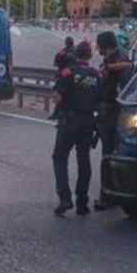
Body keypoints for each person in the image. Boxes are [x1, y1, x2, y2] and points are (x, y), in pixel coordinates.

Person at [51, 41, 101, 216]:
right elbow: (100, 101)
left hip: (69, 121)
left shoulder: (68, 72)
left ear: (76, 55)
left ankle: (65, 198)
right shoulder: (96, 75)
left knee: (59, 157)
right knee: (84, 160)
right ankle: (82, 202)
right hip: (88, 121)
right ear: (90, 56)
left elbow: (57, 96)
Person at [90, 30, 133, 211]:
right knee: (111, 154)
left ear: (104, 45)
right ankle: (113, 194)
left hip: (113, 114)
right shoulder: (114, 60)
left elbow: (124, 88)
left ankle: (109, 196)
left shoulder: (119, 61)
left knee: (109, 155)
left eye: (99, 45)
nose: (97, 48)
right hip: (109, 113)